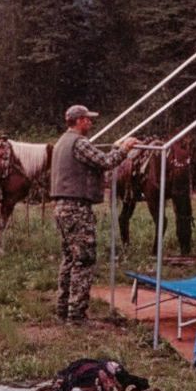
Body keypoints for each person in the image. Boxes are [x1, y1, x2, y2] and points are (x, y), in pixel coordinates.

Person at [50, 105, 139, 323]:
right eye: (88, 119)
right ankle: (77, 315)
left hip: (62, 207)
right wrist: (125, 148)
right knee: (84, 259)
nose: (90, 123)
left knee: (70, 258)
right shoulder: (79, 143)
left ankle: (64, 309)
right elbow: (106, 162)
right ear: (79, 121)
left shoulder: (62, 142)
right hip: (76, 208)